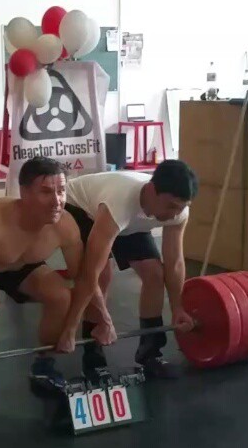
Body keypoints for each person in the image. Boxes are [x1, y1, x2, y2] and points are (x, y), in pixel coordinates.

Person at [0, 156, 114, 410]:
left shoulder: (66, 226)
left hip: (19, 265)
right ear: (24, 193)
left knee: (61, 296)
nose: (57, 201)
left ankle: (43, 365)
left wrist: (96, 322)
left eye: (61, 191)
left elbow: (84, 281)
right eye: (46, 192)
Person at [56, 159, 198, 378]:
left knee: (155, 273)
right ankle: (93, 352)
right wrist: (92, 322)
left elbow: (175, 262)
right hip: (82, 209)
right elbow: (89, 273)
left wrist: (178, 307)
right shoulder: (120, 201)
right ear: (151, 190)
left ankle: (150, 351)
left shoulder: (177, 212)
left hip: (129, 222)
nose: (174, 214)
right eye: (171, 206)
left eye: (181, 208)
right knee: (102, 275)